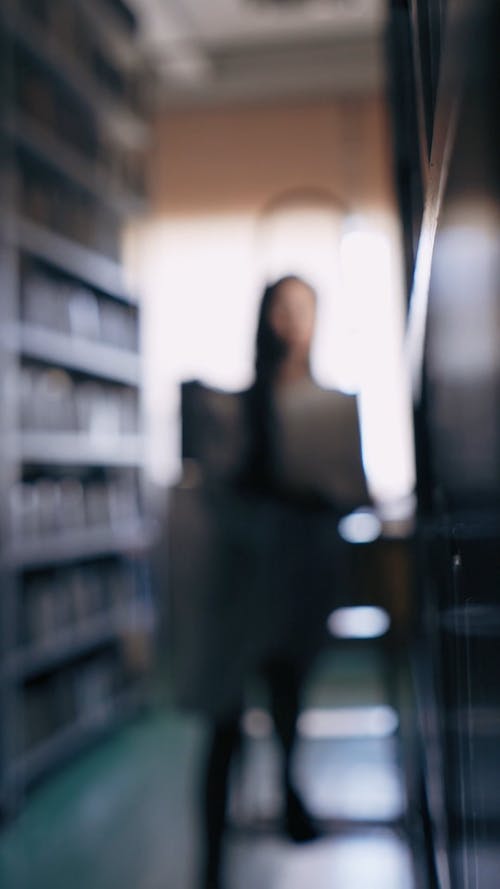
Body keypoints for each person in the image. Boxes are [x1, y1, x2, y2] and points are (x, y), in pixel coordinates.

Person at [170, 275, 368, 889]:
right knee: (223, 721)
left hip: (299, 578)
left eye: (301, 310)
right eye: (280, 310)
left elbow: (347, 490)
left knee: (287, 696)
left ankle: (287, 791)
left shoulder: (330, 407)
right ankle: (209, 865)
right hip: (238, 586)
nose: (289, 323)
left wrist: (311, 498)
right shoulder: (234, 411)